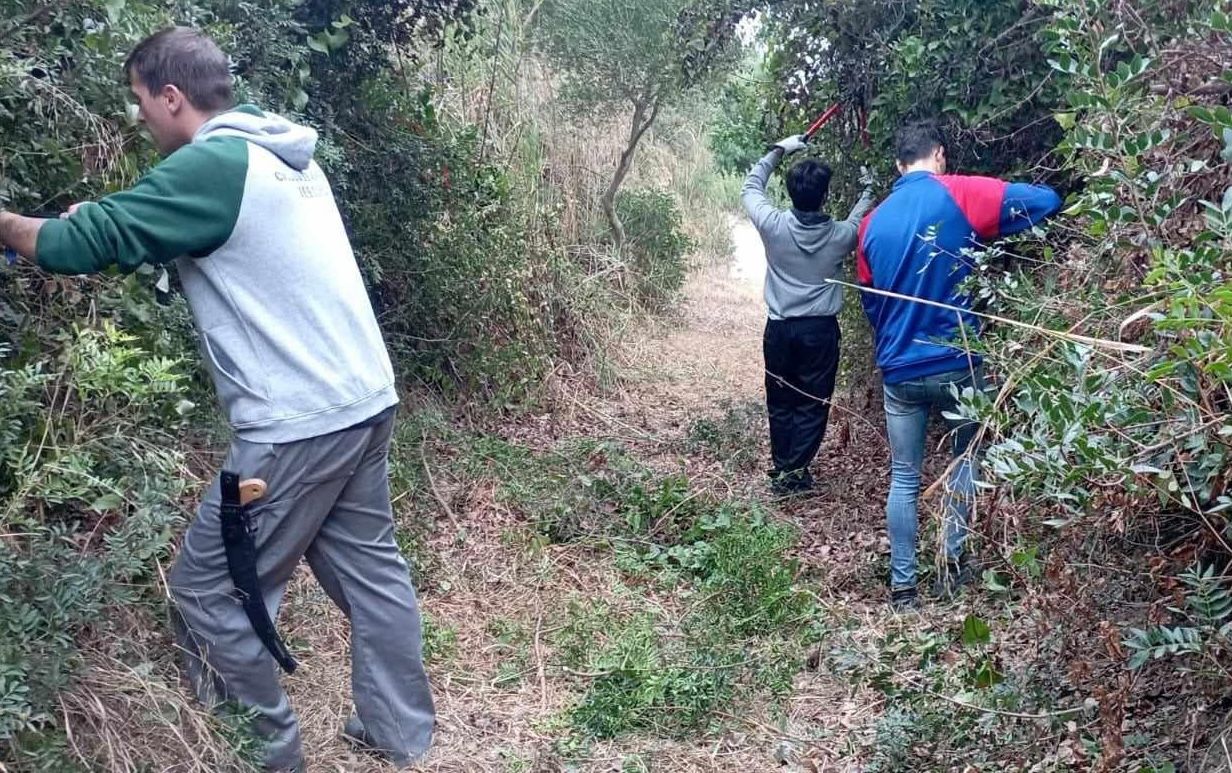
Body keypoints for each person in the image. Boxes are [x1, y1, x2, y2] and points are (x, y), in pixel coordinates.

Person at [0, 27, 433, 771]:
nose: (139, 119)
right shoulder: (278, 156)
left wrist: (9, 226)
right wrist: (100, 222)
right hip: (364, 400)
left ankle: (262, 754)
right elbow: (158, 230)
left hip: (296, 425)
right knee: (373, 573)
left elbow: (84, 246)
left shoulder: (212, 166)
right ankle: (400, 732)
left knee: (207, 589)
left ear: (171, 97)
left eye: (140, 102)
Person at [856, 119, 1062, 610]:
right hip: (958, 362)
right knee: (965, 459)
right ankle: (951, 570)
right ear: (940, 156)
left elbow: (871, 306)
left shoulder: (871, 223)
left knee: (904, 476)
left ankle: (903, 588)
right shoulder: (962, 194)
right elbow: (1047, 201)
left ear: (898, 166)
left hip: (900, 372)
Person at [742, 134, 874, 496]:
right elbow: (861, 215)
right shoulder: (840, 236)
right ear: (824, 196)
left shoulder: (773, 225)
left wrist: (779, 149)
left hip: (780, 329)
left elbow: (751, 185)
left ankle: (785, 469)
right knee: (813, 403)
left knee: (780, 399)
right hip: (819, 331)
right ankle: (794, 473)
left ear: (791, 192)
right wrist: (868, 183)